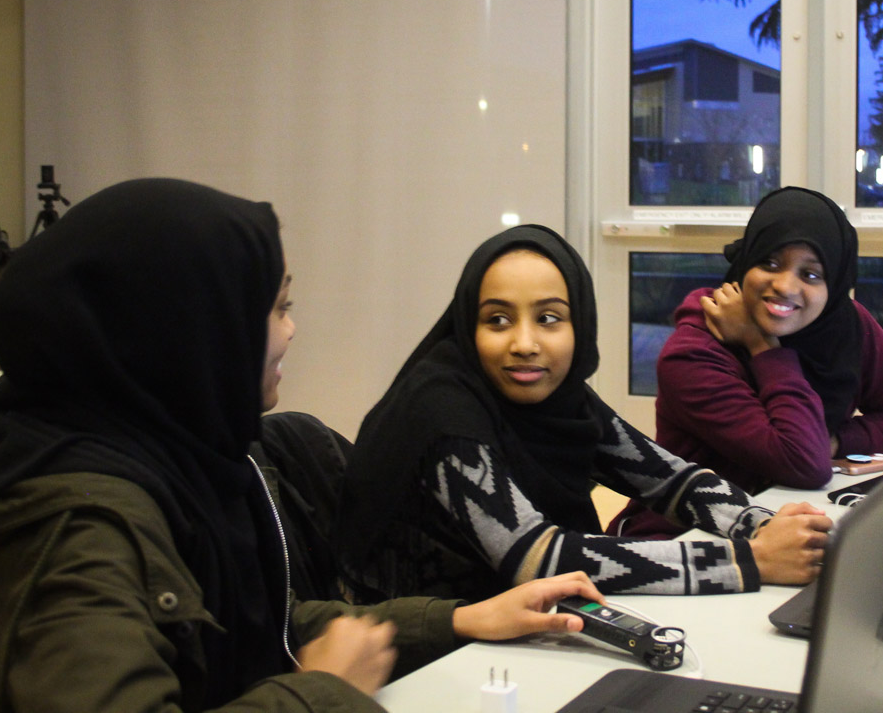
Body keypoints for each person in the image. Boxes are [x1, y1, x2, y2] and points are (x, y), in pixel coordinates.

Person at [0, 178, 604, 713]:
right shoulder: (78, 528)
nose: (292, 331)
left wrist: (461, 619)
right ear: (188, 333)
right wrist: (319, 694)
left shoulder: (188, 459)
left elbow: (261, 625)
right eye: (276, 309)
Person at [336, 224, 832, 604]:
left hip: (516, 625)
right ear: (468, 326)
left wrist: (762, 525)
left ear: (581, 326)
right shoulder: (442, 410)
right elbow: (535, 558)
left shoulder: (559, 397)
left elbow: (666, 478)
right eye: (497, 320)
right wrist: (750, 561)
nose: (524, 344)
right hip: (422, 652)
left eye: (549, 318)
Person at [610, 187, 883, 538]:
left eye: (810, 275)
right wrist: (765, 349)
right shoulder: (693, 352)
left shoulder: (846, 326)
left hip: (787, 525)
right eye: (770, 263)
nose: (785, 286)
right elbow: (803, 462)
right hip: (686, 541)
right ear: (746, 261)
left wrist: (835, 442)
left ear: (834, 286)